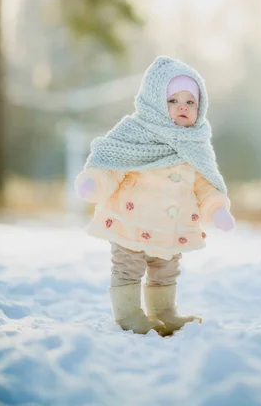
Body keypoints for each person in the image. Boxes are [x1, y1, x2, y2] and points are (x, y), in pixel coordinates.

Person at [75, 55, 235, 336]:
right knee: (128, 266)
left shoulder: (196, 144)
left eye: (190, 101)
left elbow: (205, 185)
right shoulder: (135, 133)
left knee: (166, 269)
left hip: (169, 228)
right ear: (155, 103)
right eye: (173, 101)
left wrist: (217, 209)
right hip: (131, 222)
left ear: (201, 107)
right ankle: (127, 313)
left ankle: (164, 311)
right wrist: (94, 183)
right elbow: (112, 167)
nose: (182, 107)